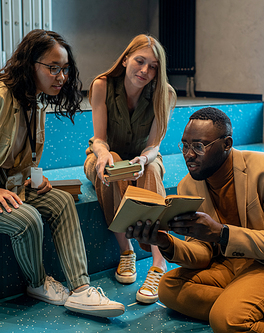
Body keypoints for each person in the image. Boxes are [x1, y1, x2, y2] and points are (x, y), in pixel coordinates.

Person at [0, 29, 124, 318]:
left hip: (8, 185)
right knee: (26, 218)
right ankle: (37, 283)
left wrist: (35, 179)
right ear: (30, 65)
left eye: (64, 69)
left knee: (62, 201)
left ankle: (81, 290)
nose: (62, 77)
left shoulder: (35, 101)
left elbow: (20, 155)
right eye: (53, 68)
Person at [125, 107, 264, 332]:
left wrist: (221, 233)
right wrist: (165, 243)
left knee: (226, 319)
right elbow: (203, 253)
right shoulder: (187, 185)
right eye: (185, 145)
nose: (189, 154)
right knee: (168, 287)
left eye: (199, 146)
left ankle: (239, 308)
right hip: (230, 265)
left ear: (227, 144)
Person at [84, 34, 177, 304]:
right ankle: (127, 252)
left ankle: (159, 263)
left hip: (142, 158)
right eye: (140, 61)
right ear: (125, 59)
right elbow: (99, 139)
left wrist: (144, 160)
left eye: (154, 66)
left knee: (150, 170)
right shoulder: (101, 85)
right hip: (102, 155)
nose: (145, 70)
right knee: (111, 164)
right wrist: (102, 154)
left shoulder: (165, 93)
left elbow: (153, 146)